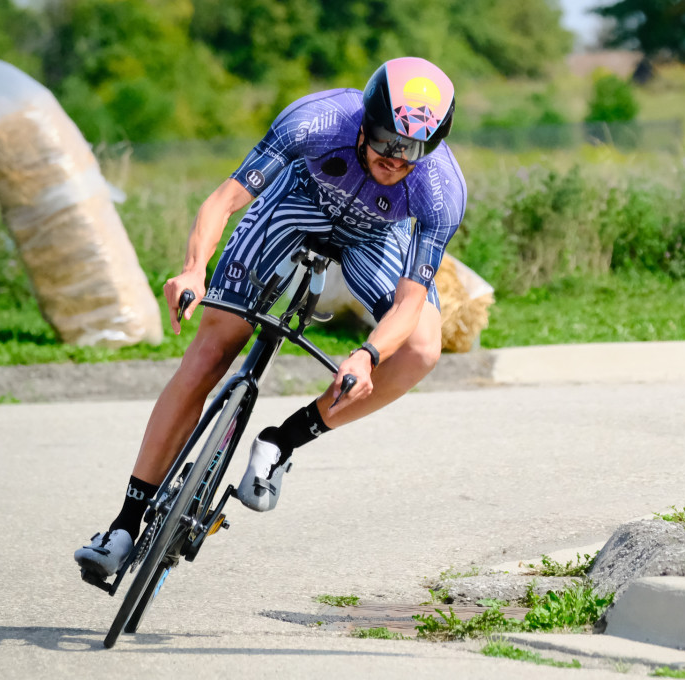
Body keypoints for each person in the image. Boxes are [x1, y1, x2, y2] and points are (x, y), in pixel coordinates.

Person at [74, 56, 466, 579]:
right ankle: (124, 526)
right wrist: (194, 271)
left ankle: (283, 442)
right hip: (294, 202)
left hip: (376, 235)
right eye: (386, 141)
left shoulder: (441, 189)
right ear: (365, 122)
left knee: (420, 348)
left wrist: (369, 355)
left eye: (413, 149)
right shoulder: (317, 120)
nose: (397, 159)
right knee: (211, 351)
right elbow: (223, 201)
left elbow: (411, 299)